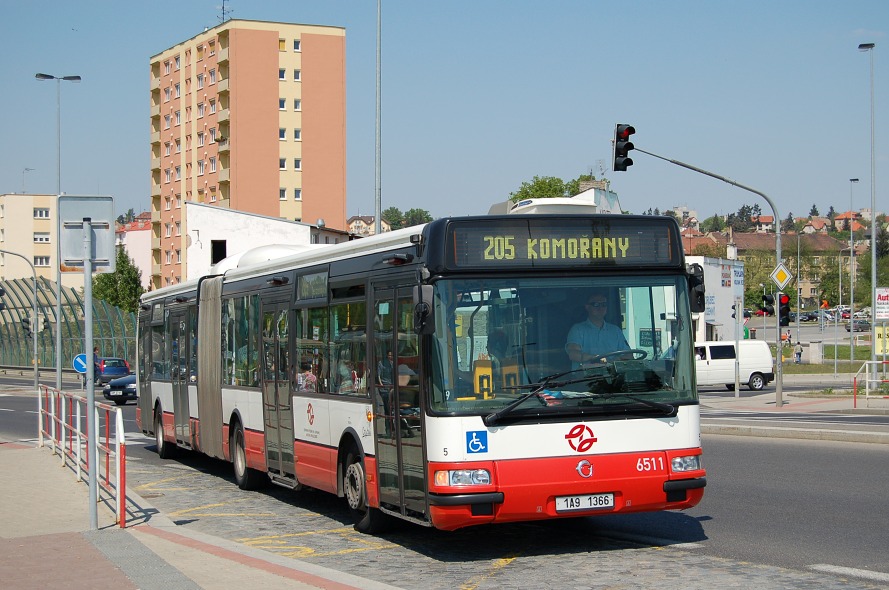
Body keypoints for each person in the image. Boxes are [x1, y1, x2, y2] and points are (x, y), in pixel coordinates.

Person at [565, 290, 630, 369]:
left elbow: (629, 355)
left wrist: (613, 362)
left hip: (614, 378)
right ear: (587, 307)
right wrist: (595, 358)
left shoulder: (615, 330)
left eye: (604, 304)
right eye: (596, 304)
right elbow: (573, 354)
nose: (600, 308)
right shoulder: (577, 330)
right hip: (585, 379)